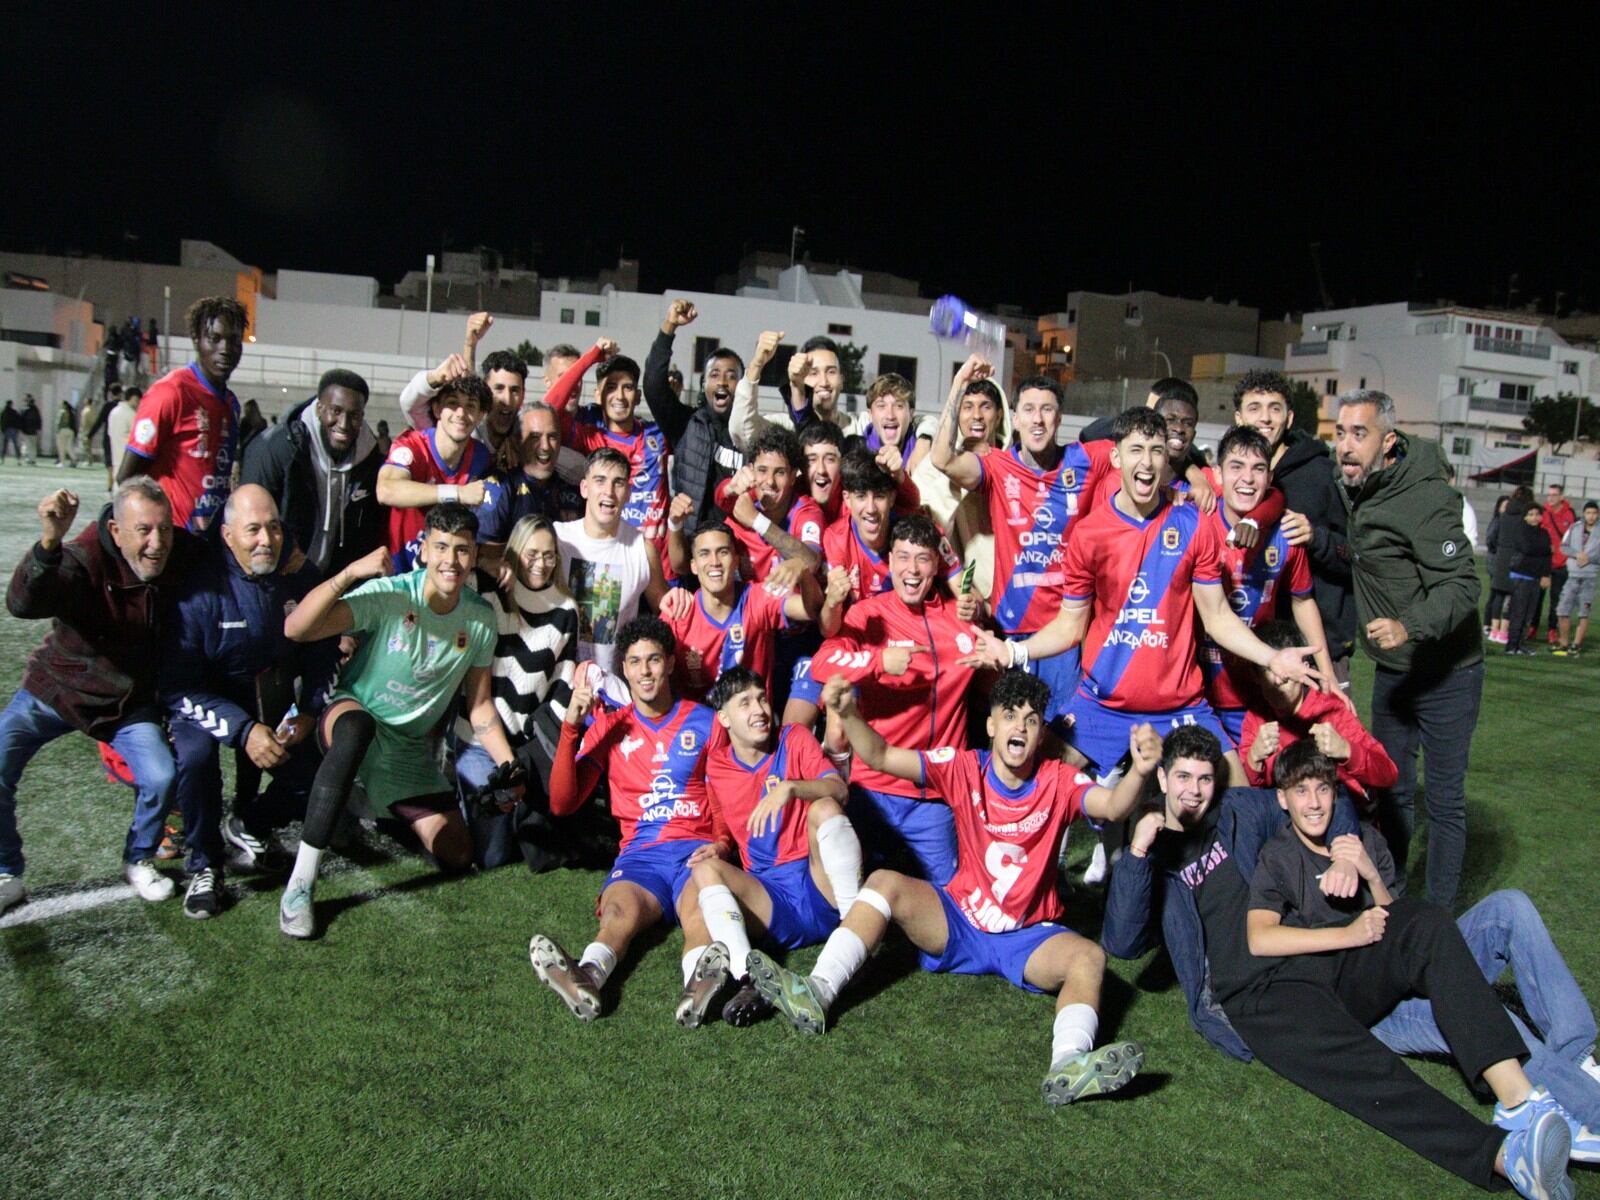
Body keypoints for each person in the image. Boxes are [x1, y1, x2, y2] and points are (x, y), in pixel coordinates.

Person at [1100, 729, 1574, 1200]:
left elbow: (1323, 796)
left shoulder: (1240, 810)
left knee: (1423, 920)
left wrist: (1346, 851)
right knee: (1367, 1071)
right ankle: (1504, 1158)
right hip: (1257, 999)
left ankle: (1519, 1103)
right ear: (1162, 779)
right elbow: (1123, 943)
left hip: (1316, 955)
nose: (1194, 791)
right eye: (1182, 777)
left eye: (1204, 779)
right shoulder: (1150, 852)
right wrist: (1138, 852)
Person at [749, 671, 1154, 1107]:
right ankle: (817, 991)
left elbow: (1112, 806)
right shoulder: (964, 766)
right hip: (959, 917)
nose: (1020, 726)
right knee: (884, 883)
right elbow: (882, 754)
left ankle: (1069, 1065)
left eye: (1033, 720)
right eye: (1010, 716)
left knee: (1089, 957)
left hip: (1027, 935)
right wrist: (848, 714)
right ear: (991, 726)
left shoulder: (1059, 780)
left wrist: (1140, 771)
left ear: (1040, 735)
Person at [1257, 741, 1600, 1158]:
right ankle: (1584, 1111)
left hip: (1416, 959)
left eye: (1322, 789)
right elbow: (1260, 937)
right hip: (1375, 1006)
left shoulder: (1363, 839)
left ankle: (1575, 1053)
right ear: (1282, 799)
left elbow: (1403, 922)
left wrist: (1369, 873)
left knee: (1510, 906)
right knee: (1494, 1017)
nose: (1314, 803)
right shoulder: (1278, 856)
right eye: (1300, 791)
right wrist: (1348, 934)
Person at [972, 409, 1325, 784]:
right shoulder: (1089, 534)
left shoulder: (1193, 525)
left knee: (1239, 795)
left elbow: (1218, 617)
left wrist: (1272, 658)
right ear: (1116, 458)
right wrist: (1013, 651)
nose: (1146, 461)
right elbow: (1070, 625)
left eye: (1156, 450)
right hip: (1103, 703)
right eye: (1136, 449)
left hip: (1179, 705)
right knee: (1034, 778)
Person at [276, 504, 516, 939]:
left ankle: (360, 800)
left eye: (462, 550)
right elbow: (297, 628)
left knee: (458, 854)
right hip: (353, 715)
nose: (451, 560)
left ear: (474, 554)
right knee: (357, 731)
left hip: (406, 747)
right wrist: (348, 574)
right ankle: (300, 883)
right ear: (423, 550)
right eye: (441, 547)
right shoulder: (391, 593)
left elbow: (480, 707)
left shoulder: (479, 618)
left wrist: (508, 766)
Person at [0, 479, 204, 911]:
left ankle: (138, 858)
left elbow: (227, 559)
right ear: (115, 530)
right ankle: (6, 871)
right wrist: (49, 543)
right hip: (59, 690)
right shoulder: (83, 556)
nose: (157, 543)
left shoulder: (180, 550)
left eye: (164, 529)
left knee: (161, 777)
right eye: (143, 530)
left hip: (127, 704)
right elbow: (21, 603)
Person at [529, 617, 725, 1020]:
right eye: (635, 662)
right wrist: (570, 728)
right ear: (624, 670)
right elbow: (563, 803)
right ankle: (588, 977)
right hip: (640, 856)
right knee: (619, 914)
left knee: (698, 912)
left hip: (695, 849)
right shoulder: (611, 728)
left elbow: (726, 793)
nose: (645, 671)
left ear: (670, 663)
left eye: (653, 659)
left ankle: (696, 986)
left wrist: (722, 842)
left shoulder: (705, 722)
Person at [160, 486, 337, 917]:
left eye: (273, 527)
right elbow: (178, 686)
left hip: (271, 700)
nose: (267, 540)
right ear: (226, 535)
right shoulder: (198, 588)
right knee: (198, 757)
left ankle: (250, 823)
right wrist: (242, 730)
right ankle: (204, 863)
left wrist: (311, 710)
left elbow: (324, 649)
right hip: (205, 699)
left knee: (322, 756)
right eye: (253, 530)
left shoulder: (298, 574)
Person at [1337, 390, 1483, 909]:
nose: (1347, 446)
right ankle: (1391, 900)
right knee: (1391, 790)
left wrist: (1409, 625)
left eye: (1361, 434)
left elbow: (1464, 587)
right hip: (1396, 672)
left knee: (1443, 802)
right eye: (1341, 433)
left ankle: (1437, 920)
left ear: (1388, 440)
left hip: (1448, 672)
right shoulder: (1355, 482)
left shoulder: (1426, 496)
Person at [673, 667, 860, 1028]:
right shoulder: (716, 767)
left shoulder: (793, 738)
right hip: (771, 903)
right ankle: (749, 978)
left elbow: (839, 790)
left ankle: (855, 927)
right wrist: (721, 846)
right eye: (745, 703)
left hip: (818, 885)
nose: (759, 709)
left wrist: (791, 787)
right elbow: (723, 825)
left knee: (825, 808)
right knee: (703, 871)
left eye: (761, 698)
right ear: (724, 717)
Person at [809, 513, 986, 886]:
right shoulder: (868, 614)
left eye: (922, 558)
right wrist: (878, 662)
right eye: (903, 557)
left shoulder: (960, 620)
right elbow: (822, 663)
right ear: (889, 561)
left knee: (947, 901)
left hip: (935, 794)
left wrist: (980, 613)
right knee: (857, 898)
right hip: (875, 789)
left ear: (936, 565)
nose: (912, 568)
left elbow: (992, 662)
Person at [933, 374, 1115, 716]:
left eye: (1047, 409)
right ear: (1015, 418)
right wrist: (957, 383)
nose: (1038, 419)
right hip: (1009, 631)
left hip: (1064, 633)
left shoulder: (1087, 460)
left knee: (1056, 737)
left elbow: (1147, 446)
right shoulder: (998, 467)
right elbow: (941, 458)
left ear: (1059, 417)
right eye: (1029, 409)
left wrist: (1193, 475)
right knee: (1008, 735)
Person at [451, 514, 579, 869]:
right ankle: (455, 782)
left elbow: (562, 683)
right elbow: (442, 564)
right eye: (531, 553)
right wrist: (487, 560)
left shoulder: (566, 609)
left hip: (526, 746)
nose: (540, 564)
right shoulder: (486, 589)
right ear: (515, 552)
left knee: (535, 848)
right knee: (492, 857)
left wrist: (541, 753)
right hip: (478, 738)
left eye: (549, 555)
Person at [1199, 427, 1334, 744]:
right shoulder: (1198, 522)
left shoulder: (1287, 533)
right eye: (1236, 467)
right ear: (1217, 474)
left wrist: (1327, 674)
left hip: (1260, 694)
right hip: (1200, 690)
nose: (1247, 478)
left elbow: (1303, 601)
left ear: (1270, 477)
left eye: (1258, 468)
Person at [1233, 369, 1356, 680]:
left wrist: (1317, 538)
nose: (1265, 418)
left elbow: (1358, 557)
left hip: (1318, 648)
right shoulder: (1231, 474)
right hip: (1250, 644)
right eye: (1255, 408)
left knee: (1329, 728)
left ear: (1288, 419)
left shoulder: (1323, 475)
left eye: (1275, 408)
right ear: (1238, 417)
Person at [662, 520, 829, 702]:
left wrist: (804, 573)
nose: (715, 562)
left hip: (752, 722)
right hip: (697, 726)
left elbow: (812, 610)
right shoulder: (679, 612)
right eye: (704, 554)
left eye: (723, 552)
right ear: (693, 566)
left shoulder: (757, 597)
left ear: (736, 560)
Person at [119, 296, 246, 532]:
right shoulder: (170, 393)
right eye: (215, 339)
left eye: (234, 340)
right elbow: (127, 479)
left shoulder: (231, 403)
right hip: (173, 541)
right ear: (197, 340)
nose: (225, 349)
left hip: (210, 544)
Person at [240, 369, 384, 576]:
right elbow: (249, 521)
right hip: (278, 576)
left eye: (353, 415)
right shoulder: (277, 448)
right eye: (335, 411)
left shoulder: (368, 459)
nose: (343, 424)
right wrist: (282, 553)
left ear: (362, 417)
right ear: (319, 408)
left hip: (329, 582)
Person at [1241, 621, 1398, 808]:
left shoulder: (1330, 710)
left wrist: (1347, 750)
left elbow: (1388, 774)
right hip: (1288, 819)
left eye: (1286, 671)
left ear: (1304, 669)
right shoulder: (1256, 716)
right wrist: (1254, 759)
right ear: (1255, 675)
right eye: (1268, 670)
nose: (1278, 680)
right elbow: (1247, 792)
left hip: (1340, 814)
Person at [555, 448, 671, 695]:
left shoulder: (642, 549)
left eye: (618, 483)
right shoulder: (556, 540)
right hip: (557, 689)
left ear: (628, 493)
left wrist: (679, 600)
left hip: (614, 695)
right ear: (584, 488)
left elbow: (665, 607)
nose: (608, 492)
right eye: (600, 481)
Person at [548, 342, 671, 555]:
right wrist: (590, 358)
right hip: (612, 556)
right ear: (597, 395)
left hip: (662, 561)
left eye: (628, 387)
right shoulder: (589, 437)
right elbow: (549, 410)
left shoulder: (659, 433)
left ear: (638, 396)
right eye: (611, 387)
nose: (620, 396)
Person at [643, 299, 746, 537]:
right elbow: (653, 386)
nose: (722, 382)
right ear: (703, 385)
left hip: (737, 553)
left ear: (742, 386)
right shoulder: (686, 424)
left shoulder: (754, 433)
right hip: (691, 552)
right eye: (714, 375)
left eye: (731, 376)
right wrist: (669, 327)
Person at [377, 373, 493, 571]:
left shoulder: (480, 456)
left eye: (470, 406)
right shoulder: (412, 445)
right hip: (399, 573)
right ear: (437, 408)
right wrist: (457, 492)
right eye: (452, 403)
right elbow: (386, 490)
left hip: (446, 573)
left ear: (481, 415)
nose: (461, 413)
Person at [915, 355, 1011, 593]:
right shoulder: (933, 466)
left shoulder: (1015, 462)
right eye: (967, 407)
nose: (976, 415)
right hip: (960, 595)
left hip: (1015, 593)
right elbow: (924, 522)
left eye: (985, 406)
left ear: (999, 415)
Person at [705, 427, 824, 581]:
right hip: (744, 603)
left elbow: (811, 561)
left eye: (780, 472)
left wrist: (756, 521)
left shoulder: (807, 511)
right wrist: (729, 487)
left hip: (787, 604)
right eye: (762, 470)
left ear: (793, 477)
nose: (770, 481)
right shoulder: (743, 500)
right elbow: (721, 496)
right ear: (751, 470)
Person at [474, 403, 583, 573]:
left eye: (552, 436)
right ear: (517, 441)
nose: (545, 446)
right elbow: (481, 555)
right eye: (535, 437)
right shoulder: (499, 486)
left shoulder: (568, 486)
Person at [729, 332, 848, 447]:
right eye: (813, 373)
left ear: (842, 380)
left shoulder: (859, 427)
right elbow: (742, 432)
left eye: (831, 372)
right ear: (801, 379)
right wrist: (757, 364)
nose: (824, 382)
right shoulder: (784, 428)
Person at [1502, 502, 1552, 657]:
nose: (1534, 517)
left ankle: (1520, 644)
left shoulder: (1544, 533)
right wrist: (1543, 549)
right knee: (1518, 612)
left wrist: (1546, 574)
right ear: (1525, 516)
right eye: (1530, 514)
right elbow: (1528, 548)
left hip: (1536, 578)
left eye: (1537, 514)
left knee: (1529, 613)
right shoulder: (1520, 531)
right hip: (1521, 576)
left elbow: (1547, 554)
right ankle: (1512, 645)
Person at [1488, 486, 1534, 645]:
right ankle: (1503, 632)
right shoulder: (1524, 518)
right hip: (1516, 558)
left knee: (1498, 594)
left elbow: (1492, 537)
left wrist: (1498, 550)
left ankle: (1493, 630)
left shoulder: (1504, 515)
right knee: (1513, 596)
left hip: (1501, 556)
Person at [1554, 501, 1598, 655]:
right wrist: (1577, 554)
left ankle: (1576, 644)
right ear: (1584, 513)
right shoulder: (1574, 528)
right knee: (1562, 609)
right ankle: (1564, 643)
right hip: (1572, 575)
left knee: (1583, 612)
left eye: (1594, 513)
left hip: (1589, 577)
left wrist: (1589, 558)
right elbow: (1563, 546)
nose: (1591, 516)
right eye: (1588, 513)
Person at [1539, 484, 1578, 645]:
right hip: (1544, 563)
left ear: (1561, 497)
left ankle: (1551, 629)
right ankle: (1533, 626)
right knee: (1537, 598)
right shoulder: (1543, 512)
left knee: (1556, 600)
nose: (1551, 497)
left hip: (1561, 564)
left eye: (1554, 494)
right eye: (1549, 494)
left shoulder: (1569, 514)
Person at [1484, 495, 1513, 641]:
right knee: (1496, 594)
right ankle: (1488, 624)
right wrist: (1499, 552)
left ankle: (1490, 625)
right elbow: (1490, 540)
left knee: (1496, 594)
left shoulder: (1504, 522)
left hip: (1498, 561)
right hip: (1497, 562)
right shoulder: (1498, 521)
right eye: (1504, 505)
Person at [54, 398, 80, 467]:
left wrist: (57, 431)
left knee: (61, 447)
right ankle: (74, 458)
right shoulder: (71, 412)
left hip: (62, 430)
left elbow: (58, 422)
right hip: (70, 431)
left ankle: (62, 462)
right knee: (69, 446)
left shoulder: (62, 411)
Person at [19, 395, 41, 464]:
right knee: (33, 446)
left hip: (26, 430)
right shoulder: (36, 410)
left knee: (26, 445)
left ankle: (25, 459)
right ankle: (33, 459)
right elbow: (39, 420)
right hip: (33, 431)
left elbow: (21, 420)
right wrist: (38, 428)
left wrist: (21, 429)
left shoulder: (25, 410)